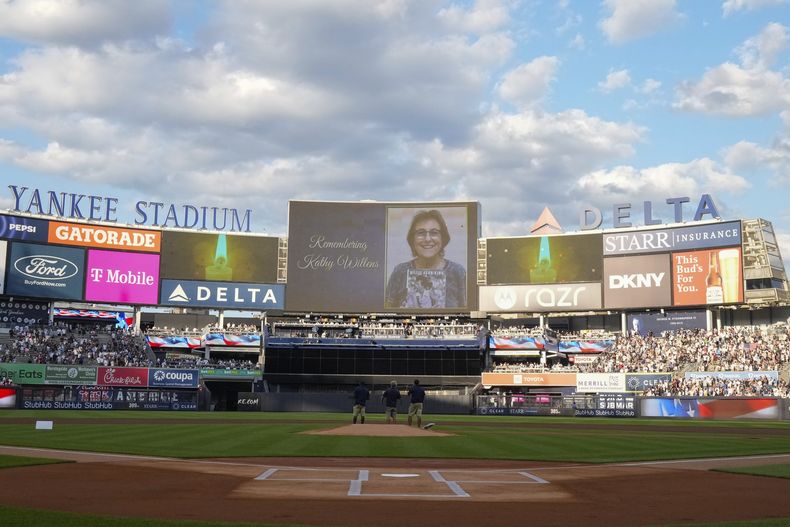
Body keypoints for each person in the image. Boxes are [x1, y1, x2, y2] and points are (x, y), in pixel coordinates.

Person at [385, 209, 466, 309]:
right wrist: (399, 312)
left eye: (434, 233)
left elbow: (467, 310)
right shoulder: (400, 271)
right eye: (421, 233)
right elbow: (386, 310)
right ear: (412, 239)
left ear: (443, 237)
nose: (427, 239)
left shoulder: (457, 272)